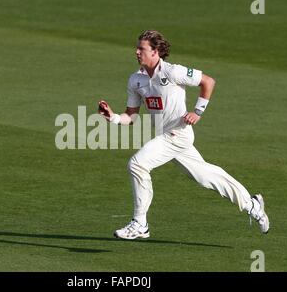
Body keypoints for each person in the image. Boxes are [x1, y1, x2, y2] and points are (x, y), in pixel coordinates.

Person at [98, 30, 269, 240]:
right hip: (166, 137)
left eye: (141, 48)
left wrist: (197, 112)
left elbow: (208, 81)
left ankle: (140, 223)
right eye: (137, 48)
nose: (136, 52)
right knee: (206, 176)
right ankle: (252, 205)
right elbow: (131, 116)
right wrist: (113, 117)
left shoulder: (173, 72)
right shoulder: (136, 80)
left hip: (177, 134)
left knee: (137, 164)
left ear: (156, 52)